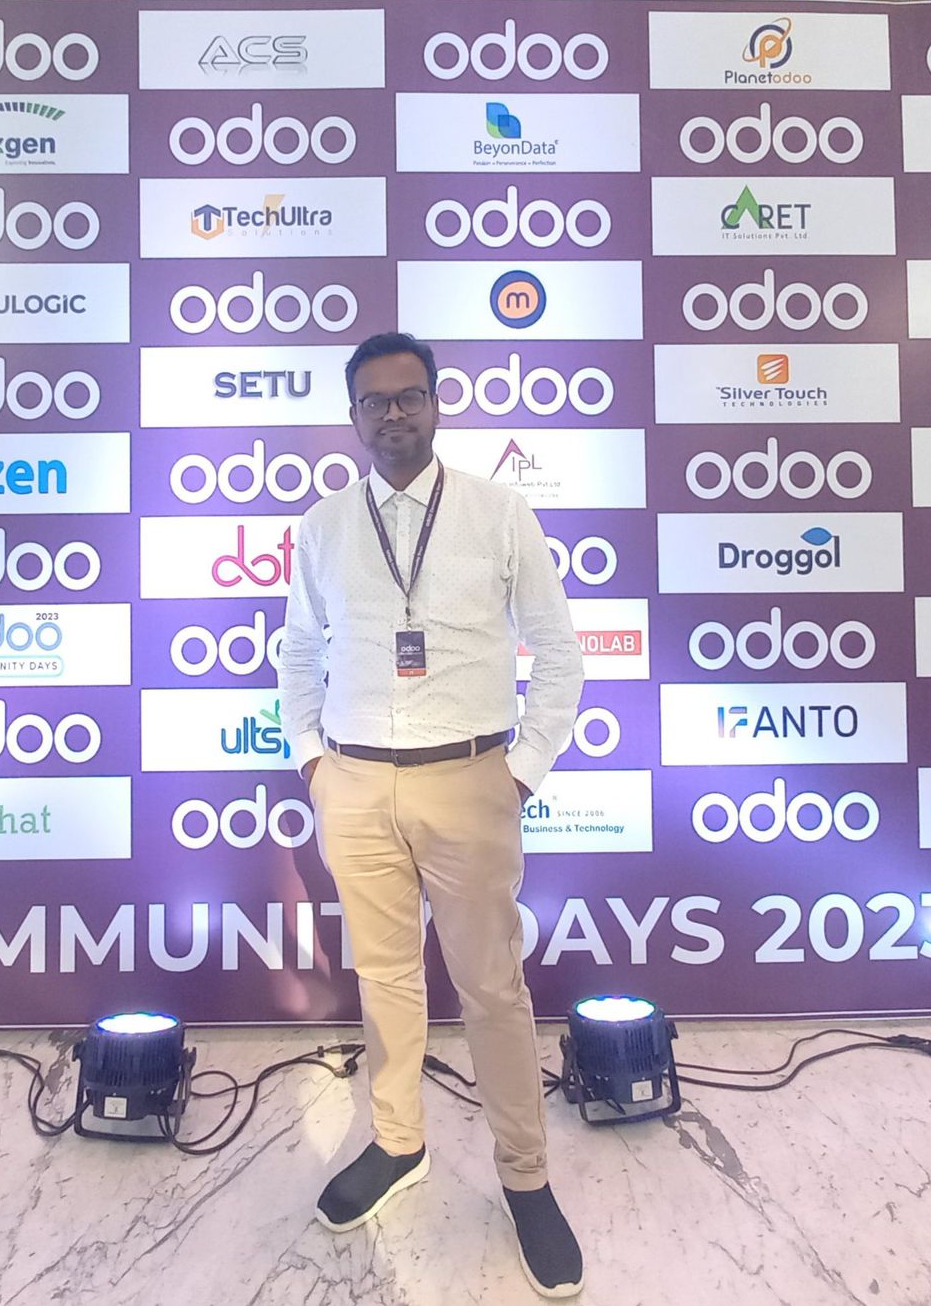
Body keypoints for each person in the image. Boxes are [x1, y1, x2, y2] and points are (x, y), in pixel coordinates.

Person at [278, 331, 587, 1297]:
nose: (394, 414)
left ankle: (525, 1176)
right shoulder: (325, 525)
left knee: (492, 988)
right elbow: (299, 650)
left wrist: (519, 773)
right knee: (385, 979)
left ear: (437, 404)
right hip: (356, 782)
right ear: (354, 417)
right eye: (375, 401)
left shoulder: (499, 511)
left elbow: (558, 649)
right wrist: (314, 762)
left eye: (409, 396)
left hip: (470, 778)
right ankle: (398, 1141)